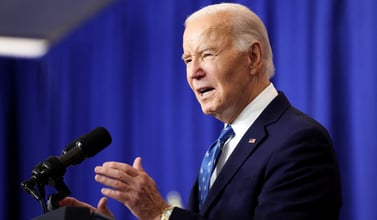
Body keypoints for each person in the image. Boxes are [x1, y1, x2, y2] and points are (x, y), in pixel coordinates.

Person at [60, 3, 342, 220]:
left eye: (207, 55)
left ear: (253, 58)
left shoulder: (298, 141)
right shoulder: (224, 146)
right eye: (187, 59)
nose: (194, 72)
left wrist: (161, 213)